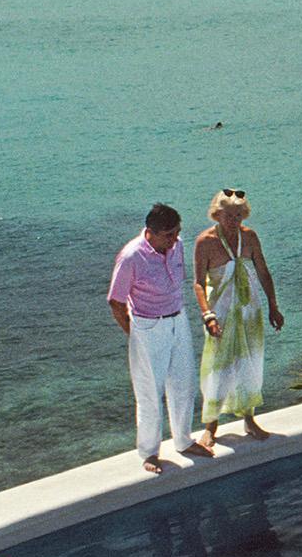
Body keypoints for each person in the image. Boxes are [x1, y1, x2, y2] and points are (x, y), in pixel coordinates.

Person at [107, 202, 211, 473]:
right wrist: (136, 335)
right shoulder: (131, 256)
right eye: (169, 235)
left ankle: (183, 440)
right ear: (151, 232)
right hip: (148, 326)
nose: (175, 239)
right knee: (150, 393)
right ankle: (150, 453)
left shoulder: (177, 245)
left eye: (177, 232)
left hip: (178, 319)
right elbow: (116, 302)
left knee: (183, 383)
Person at [194, 188, 285, 447]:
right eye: (228, 215)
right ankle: (211, 425)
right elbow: (198, 283)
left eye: (238, 215)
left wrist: (273, 306)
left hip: (249, 310)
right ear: (217, 214)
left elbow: (263, 272)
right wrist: (207, 315)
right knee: (218, 366)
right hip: (220, 313)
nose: (234, 220)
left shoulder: (250, 237)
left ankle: (249, 418)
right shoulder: (205, 241)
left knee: (249, 364)